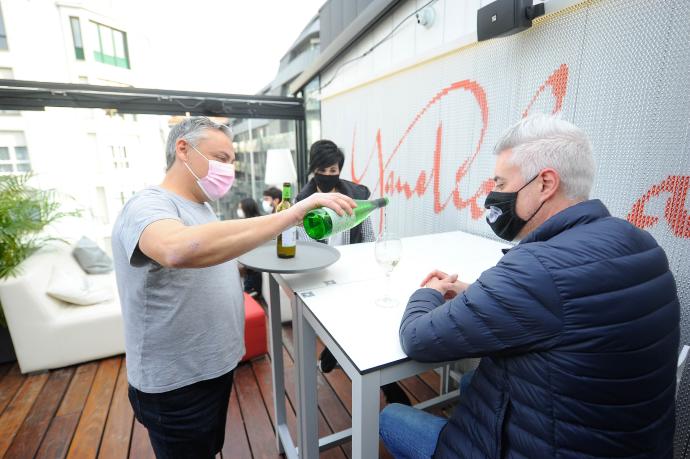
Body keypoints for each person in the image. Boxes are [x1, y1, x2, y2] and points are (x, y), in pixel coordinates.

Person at [379, 114, 680, 458]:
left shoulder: (535, 268)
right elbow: (564, 305)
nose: (494, 196)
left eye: (501, 184)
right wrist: (478, 292)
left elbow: (417, 338)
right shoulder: (640, 243)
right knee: (469, 383)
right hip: (623, 438)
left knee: (391, 418)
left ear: (545, 183)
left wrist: (429, 291)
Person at [111, 117, 355, 458]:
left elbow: (216, 255)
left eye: (231, 161)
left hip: (214, 368)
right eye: (221, 158)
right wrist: (292, 214)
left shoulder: (202, 207)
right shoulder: (148, 205)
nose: (229, 169)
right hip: (178, 384)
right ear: (183, 148)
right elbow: (176, 249)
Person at [297, 139, 411, 406]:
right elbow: (305, 244)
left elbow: (369, 237)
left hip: (353, 272)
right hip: (321, 273)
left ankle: (382, 382)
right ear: (313, 169)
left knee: (367, 320)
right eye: (322, 171)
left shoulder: (355, 197)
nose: (327, 176)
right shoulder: (304, 202)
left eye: (332, 170)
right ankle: (378, 380)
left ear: (340, 169)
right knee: (349, 321)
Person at [236, 198, 263, 296]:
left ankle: (253, 292)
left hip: (254, 267)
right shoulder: (247, 222)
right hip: (249, 267)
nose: (238, 210)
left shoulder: (256, 223)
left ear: (246, 208)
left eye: (240, 208)